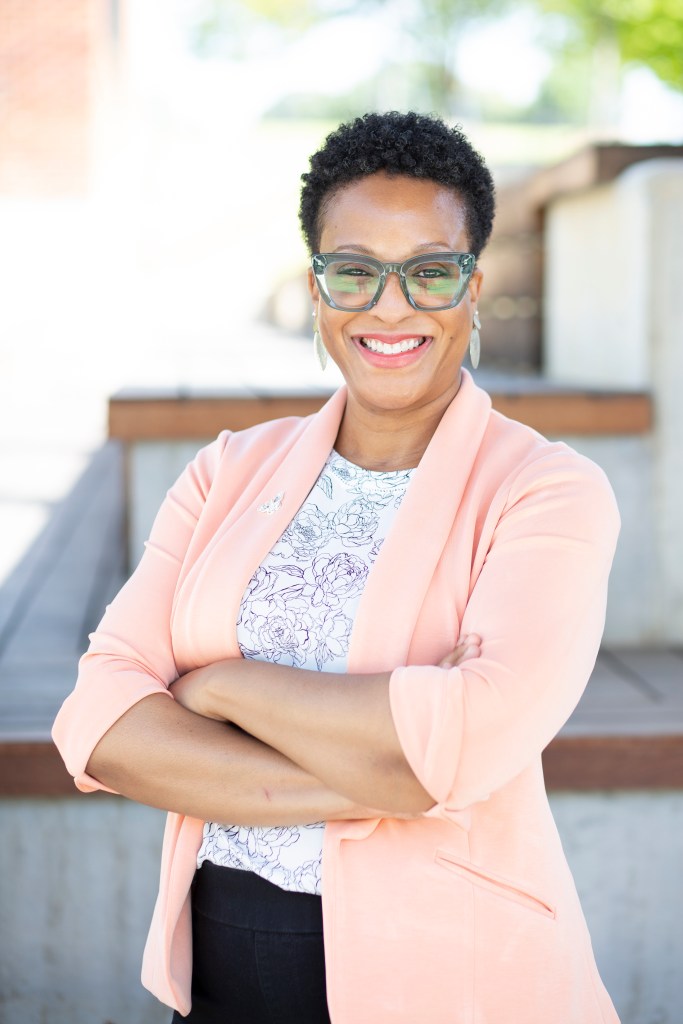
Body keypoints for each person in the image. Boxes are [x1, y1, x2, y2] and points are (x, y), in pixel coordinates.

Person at [52, 110, 621, 1023]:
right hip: (219, 964)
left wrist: (222, 686)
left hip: (449, 975)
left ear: (473, 287)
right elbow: (98, 720)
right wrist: (396, 776)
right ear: (317, 287)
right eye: (353, 270)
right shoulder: (227, 469)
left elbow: (472, 735)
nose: (389, 306)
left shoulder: (547, 489)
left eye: (429, 271)